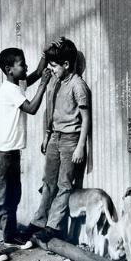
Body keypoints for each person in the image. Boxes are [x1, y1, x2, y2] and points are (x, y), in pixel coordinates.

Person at [0, 46, 51, 261]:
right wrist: (44, 86)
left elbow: (36, 73)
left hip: (11, 151)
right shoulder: (9, 90)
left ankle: (10, 236)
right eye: (22, 64)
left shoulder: (16, 84)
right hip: (1, 152)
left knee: (13, 195)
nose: (26, 66)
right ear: (9, 69)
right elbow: (31, 108)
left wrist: (45, 56)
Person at [27, 37, 91, 243]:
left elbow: (86, 119)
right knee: (48, 182)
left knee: (64, 184)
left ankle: (53, 226)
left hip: (71, 140)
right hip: (55, 136)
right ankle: (39, 220)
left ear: (66, 64)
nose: (51, 69)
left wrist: (81, 146)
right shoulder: (54, 82)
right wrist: (47, 136)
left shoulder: (78, 85)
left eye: (54, 66)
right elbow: (50, 111)